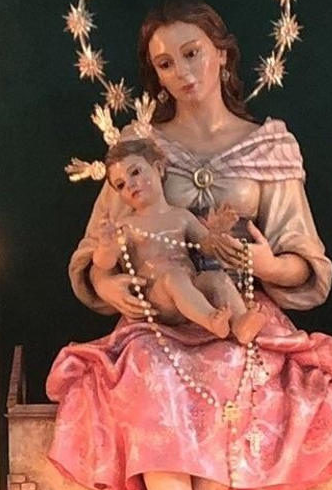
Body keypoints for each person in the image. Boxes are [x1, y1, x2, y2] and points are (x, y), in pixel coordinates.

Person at [48, 0, 332, 490]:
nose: (182, 71)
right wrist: (108, 284)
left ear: (222, 53)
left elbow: (309, 263)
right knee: (147, 372)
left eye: (192, 53)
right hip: (158, 318)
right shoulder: (139, 150)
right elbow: (96, 249)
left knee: (236, 373)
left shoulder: (268, 147)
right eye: (165, 63)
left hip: (239, 307)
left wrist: (265, 263)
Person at [91, 132, 266, 344]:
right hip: (159, 298)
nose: (130, 184)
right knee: (173, 278)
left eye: (135, 172)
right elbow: (104, 263)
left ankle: (240, 324)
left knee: (216, 278)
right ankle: (211, 320)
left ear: (158, 169)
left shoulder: (182, 216)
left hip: (192, 287)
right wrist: (106, 247)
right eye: (120, 185)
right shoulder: (127, 226)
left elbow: (205, 247)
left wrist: (216, 233)